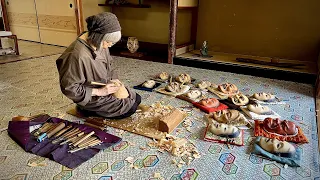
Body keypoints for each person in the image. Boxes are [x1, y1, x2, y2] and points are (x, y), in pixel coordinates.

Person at [56, 12, 141, 119]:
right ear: (98, 37)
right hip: (91, 95)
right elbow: (70, 89)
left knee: (137, 98)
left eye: (113, 43)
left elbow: (109, 66)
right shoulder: (75, 56)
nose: (109, 45)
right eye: (109, 42)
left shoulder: (98, 42)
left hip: (104, 86)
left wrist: (114, 82)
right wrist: (99, 92)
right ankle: (86, 110)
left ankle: (101, 107)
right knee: (130, 108)